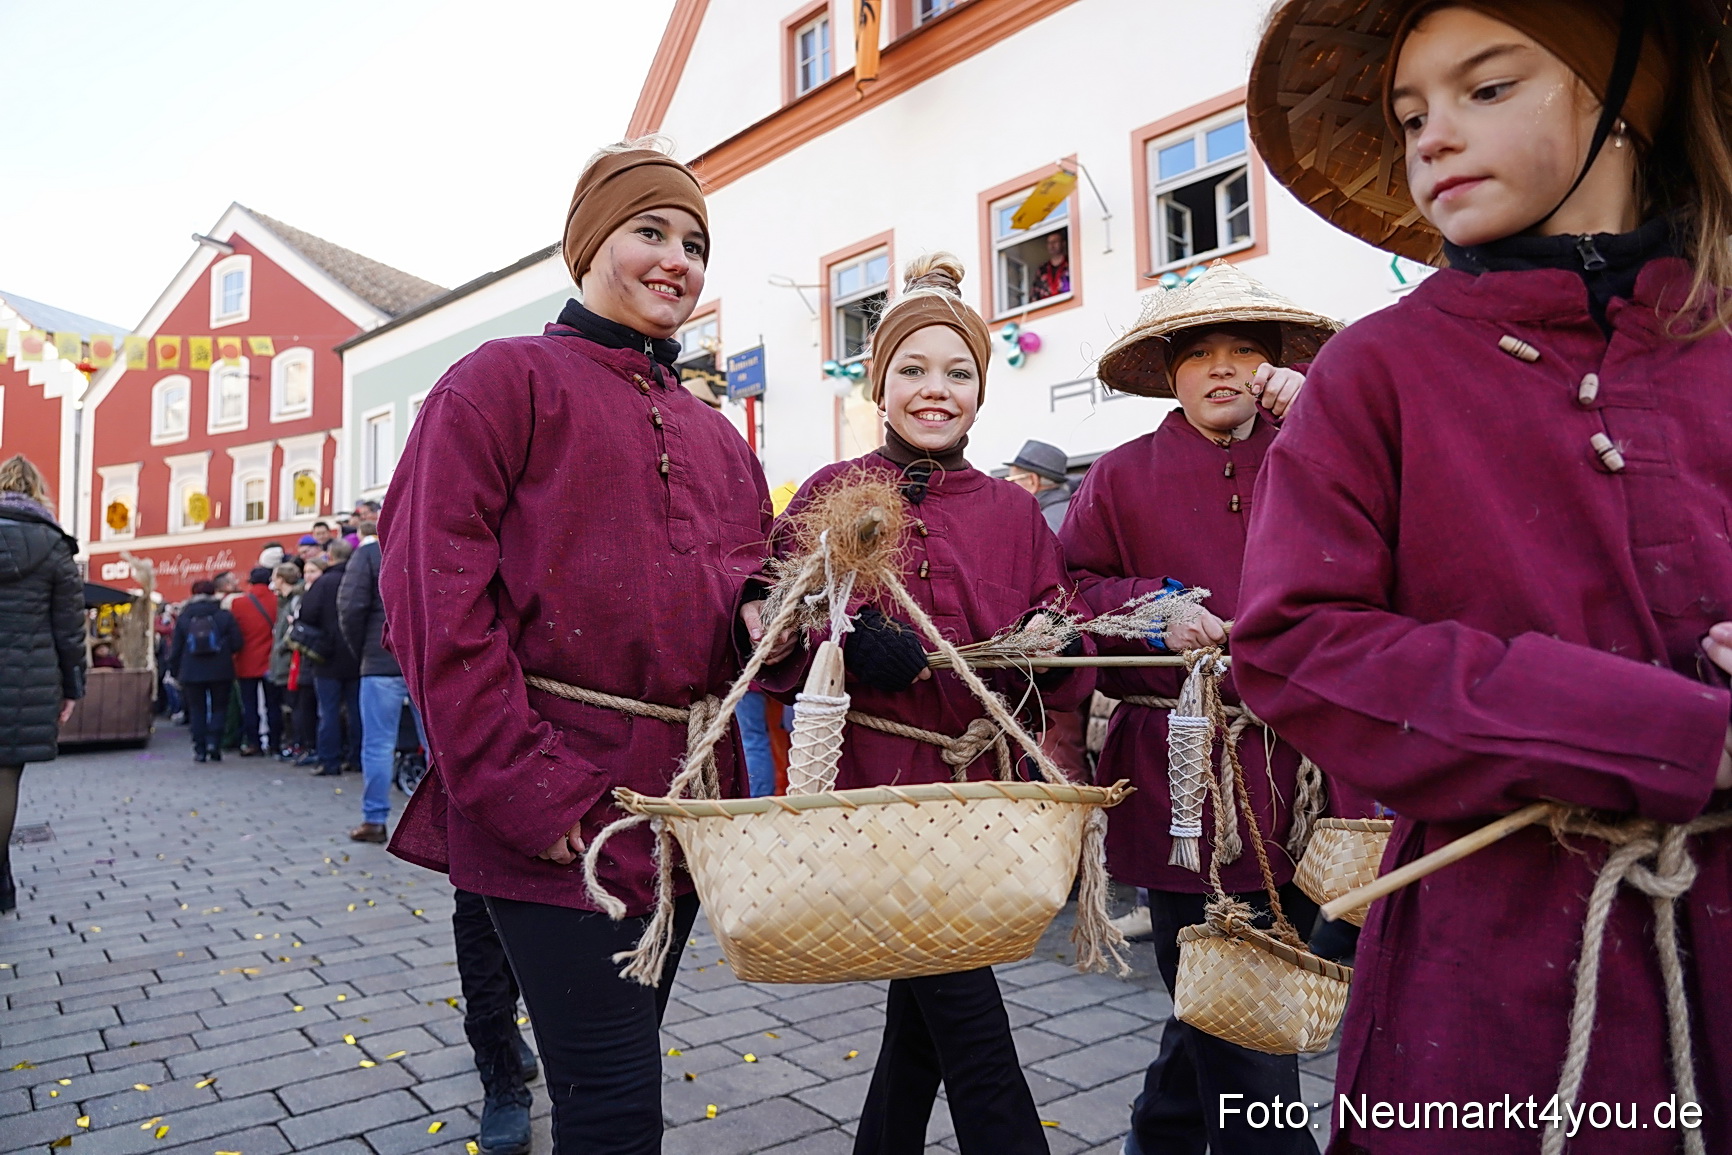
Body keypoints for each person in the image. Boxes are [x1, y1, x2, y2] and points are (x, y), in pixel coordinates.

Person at [1237, 4, 1732, 1153]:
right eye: (1412, 115)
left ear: (1627, 105)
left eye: (1487, 89)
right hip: (1500, 973)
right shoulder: (1378, 369)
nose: (1433, 138)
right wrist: (1661, 731)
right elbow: (1293, 640)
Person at [379, 140, 771, 1154]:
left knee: (626, 1063)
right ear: (592, 242)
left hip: (679, 803)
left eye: (694, 241)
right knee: (612, 1103)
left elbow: (734, 582)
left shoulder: (719, 435)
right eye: (650, 230)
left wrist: (769, 611)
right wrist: (526, 789)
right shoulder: (500, 382)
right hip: (557, 800)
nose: (676, 258)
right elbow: (434, 596)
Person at [761, 253, 1089, 1155]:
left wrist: (1051, 653)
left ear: (980, 392)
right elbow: (772, 630)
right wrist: (842, 632)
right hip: (880, 798)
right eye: (912, 369)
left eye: (958, 373)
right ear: (880, 383)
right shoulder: (832, 492)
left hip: (982, 794)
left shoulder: (1014, 514)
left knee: (926, 1020)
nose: (934, 390)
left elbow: (1057, 647)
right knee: (974, 1030)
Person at [1060, 261, 1329, 1155]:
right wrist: (1156, 606)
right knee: (1239, 1012)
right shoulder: (1121, 474)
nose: (1223, 367)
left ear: (1271, 366)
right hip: (1178, 780)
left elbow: (1396, 514)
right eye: (1201, 352)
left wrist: (1317, 407)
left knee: (1215, 1001)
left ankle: (1158, 1138)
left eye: (1244, 350)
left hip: (1301, 776)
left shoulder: (1314, 448)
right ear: (1168, 374)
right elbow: (1074, 590)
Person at [0, 455, 84, 913]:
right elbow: (69, 628)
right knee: (5, 774)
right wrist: (72, 687)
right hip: (27, 675)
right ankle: (1, 883)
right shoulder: (53, 544)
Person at [339, 518, 423, 843]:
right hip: (422, 660)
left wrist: (363, 650)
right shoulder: (424, 545)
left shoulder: (369, 555)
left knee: (377, 745)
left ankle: (374, 820)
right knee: (436, 744)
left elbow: (350, 608)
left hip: (380, 661)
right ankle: (444, 818)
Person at [297, 539, 361, 778]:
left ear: (330, 557)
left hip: (326, 656)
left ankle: (330, 760)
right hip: (356, 655)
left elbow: (307, 615)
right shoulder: (359, 580)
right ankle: (356, 758)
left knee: (329, 711)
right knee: (356, 710)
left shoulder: (323, 584)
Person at [169, 580, 243, 763]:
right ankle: (214, 744)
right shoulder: (224, 615)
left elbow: (176, 648)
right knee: (219, 708)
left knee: (196, 709)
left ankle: (199, 748)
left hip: (191, 671)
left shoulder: (185, 617)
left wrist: (174, 670)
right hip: (221, 670)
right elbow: (237, 643)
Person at [231, 566, 279, 757]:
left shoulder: (239, 603)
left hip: (246, 660)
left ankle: (253, 742)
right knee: (273, 705)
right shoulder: (277, 601)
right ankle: (275, 742)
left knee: (249, 705)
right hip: (271, 660)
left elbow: (236, 633)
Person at [268, 563, 305, 762]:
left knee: (294, 705)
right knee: (287, 705)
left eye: (275, 577)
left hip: (289, 662)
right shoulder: (283, 601)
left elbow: (293, 630)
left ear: (281, 579)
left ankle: (296, 743)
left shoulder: (294, 600)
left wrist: (281, 647)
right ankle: (292, 742)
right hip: (282, 661)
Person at [1004, 440, 1072, 533]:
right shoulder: (1072, 509)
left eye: (1012, 480)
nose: (1010, 486)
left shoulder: (1044, 523)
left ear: (1032, 481)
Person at [1031, 229, 1070, 302]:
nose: (1052, 245)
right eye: (1049, 243)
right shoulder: (1042, 269)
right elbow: (1035, 294)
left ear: (1063, 243)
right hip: (1047, 306)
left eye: (1055, 242)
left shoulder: (1071, 263)